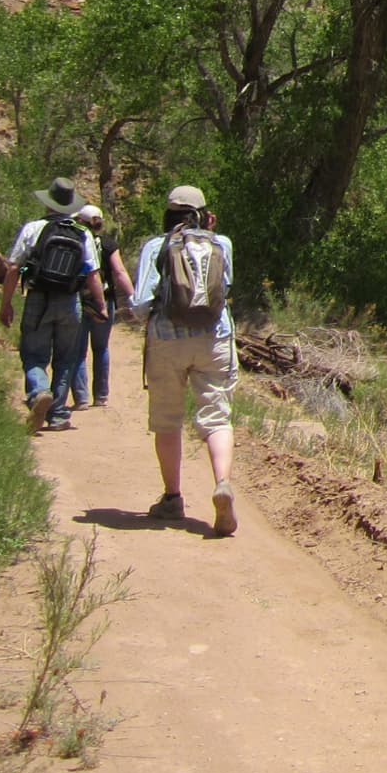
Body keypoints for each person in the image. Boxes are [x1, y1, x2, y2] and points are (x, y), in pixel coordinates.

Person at [124, 184, 239, 535]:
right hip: (214, 338)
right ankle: (222, 482)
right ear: (205, 213)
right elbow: (227, 286)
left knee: (167, 420)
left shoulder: (156, 246)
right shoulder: (222, 244)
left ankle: (173, 497)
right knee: (217, 416)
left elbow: (140, 304)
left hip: (167, 339)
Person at [0, 177, 105, 433]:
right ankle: (57, 415)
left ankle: (38, 392)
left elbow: (15, 268)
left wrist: (6, 304)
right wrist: (100, 305)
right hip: (70, 301)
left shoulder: (33, 229)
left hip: (38, 298)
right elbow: (92, 274)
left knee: (34, 354)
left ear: (48, 203)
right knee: (66, 358)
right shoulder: (83, 233)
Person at [63, 204, 132, 409]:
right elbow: (119, 272)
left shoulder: (75, 242)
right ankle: (101, 395)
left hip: (80, 301)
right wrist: (133, 297)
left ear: (81, 222)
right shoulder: (109, 244)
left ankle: (81, 397)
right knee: (101, 347)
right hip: (105, 300)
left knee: (78, 350)